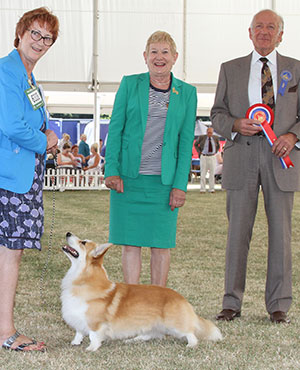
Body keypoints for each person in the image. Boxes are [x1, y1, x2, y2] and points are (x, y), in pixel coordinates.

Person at [211, 9, 300, 324]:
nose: (264, 32)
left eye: (271, 27)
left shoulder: (296, 70)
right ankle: (231, 303)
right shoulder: (230, 69)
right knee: (237, 235)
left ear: (281, 35)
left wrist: (292, 135)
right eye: (258, 27)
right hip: (241, 158)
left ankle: (278, 305)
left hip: (282, 159)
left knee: (281, 235)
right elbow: (216, 114)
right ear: (249, 33)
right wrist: (235, 124)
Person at [104, 31, 197, 287]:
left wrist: (180, 185)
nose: (159, 57)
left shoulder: (187, 93)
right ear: (145, 57)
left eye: (165, 52)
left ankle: (156, 308)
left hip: (164, 184)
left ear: (175, 57)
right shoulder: (129, 84)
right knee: (130, 245)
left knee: (161, 247)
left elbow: (185, 141)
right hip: (128, 181)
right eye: (154, 52)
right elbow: (115, 128)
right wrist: (111, 170)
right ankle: (132, 304)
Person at [0, 7, 59, 351]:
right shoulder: (8, 71)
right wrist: (46, 141)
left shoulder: (28, 76)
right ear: (20, 33)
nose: (39, 41)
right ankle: (5, 332)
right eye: (34, 33)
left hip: (22, 174)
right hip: (10, 176)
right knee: (10, 252)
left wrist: (46, 137)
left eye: (46, 37)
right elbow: (10, 125)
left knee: (10, 252)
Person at [194, 127, 220, 193]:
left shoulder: (216, 138)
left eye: (211, 133)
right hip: (204, 156)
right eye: (208, 133)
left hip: (212, 156)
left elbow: (218, 146)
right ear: (206, 132)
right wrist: (199, 152)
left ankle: (211, 189)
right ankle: (202, 189)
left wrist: (215, 151)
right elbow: (196, 144)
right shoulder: (202, 137)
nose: (210, 134)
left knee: (212, 173)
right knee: (203, 173)